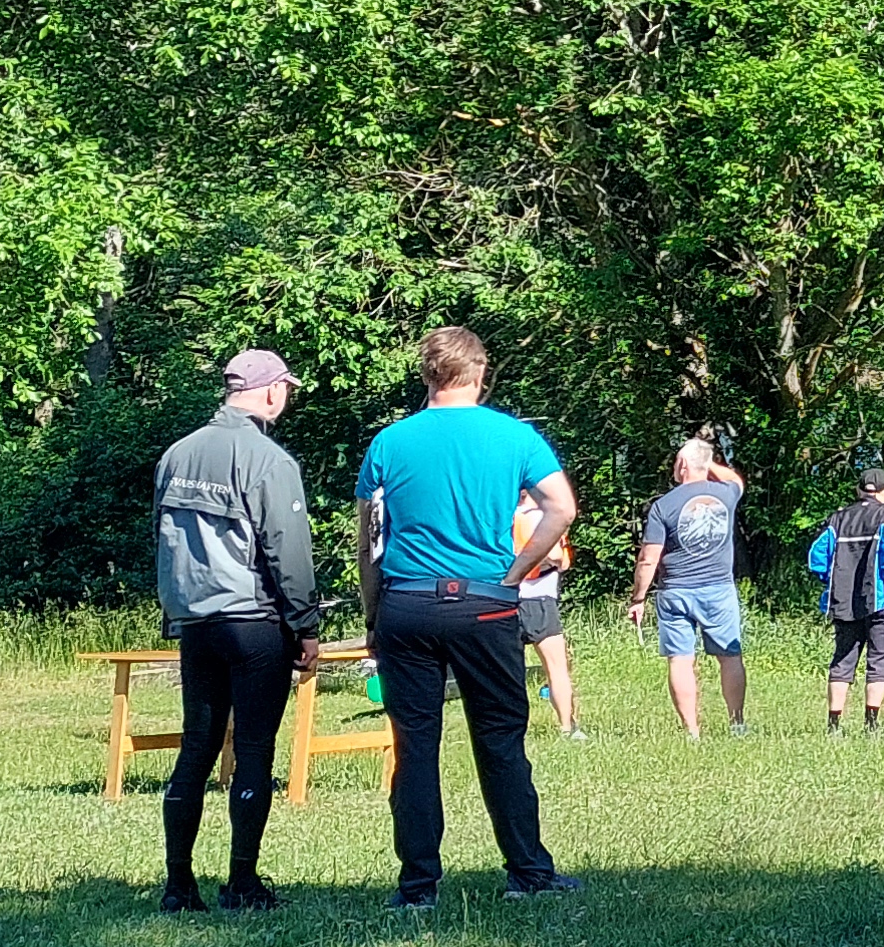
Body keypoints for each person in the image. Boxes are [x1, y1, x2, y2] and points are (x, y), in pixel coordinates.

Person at [356, 326, 577, 905]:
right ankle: (528, 872)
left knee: (414, 744)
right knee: (500, 738)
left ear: (427, 374)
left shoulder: (389, 443)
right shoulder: (515, 436)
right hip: (485, 603)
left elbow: (370, 541)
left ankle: (417, 886)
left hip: (408, 603)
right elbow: (561, 508)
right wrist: (517, 573)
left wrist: (374, 613)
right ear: (480, 373)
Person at [152, 346, 317, 913]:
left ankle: (178, 885)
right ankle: (242, 882)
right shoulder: (269, 460)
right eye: (286, 389)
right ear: (271, 391)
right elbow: (287, 551)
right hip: (253, 622)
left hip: (196, 622)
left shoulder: (176, 455)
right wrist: (306, 622)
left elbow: (163, 538)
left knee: (195, 748)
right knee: (253, 750)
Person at [626, 437, 749, 739]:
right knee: (729, 656)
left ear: (682, 465)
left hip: (675, 591)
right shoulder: (726, 494)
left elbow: (648, 559)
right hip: (719, 588)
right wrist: (709, 464)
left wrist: (638, 598)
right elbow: (737, 480)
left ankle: (692, 731)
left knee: (680, 660)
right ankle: (737, 723)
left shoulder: (663, 506)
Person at [818, 467, 884, 733]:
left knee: (843, 658)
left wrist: (833, 582)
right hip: (881, 597)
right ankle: (871, 724)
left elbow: (818, 557)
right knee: (880, 659)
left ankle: (834, 724)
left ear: (859, 491)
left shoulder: (838, 518)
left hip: (843, 598)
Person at [512, 492, 581, 739]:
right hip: (538, 598)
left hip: (508, 598)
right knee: (556, 668)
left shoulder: (505, 518)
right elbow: (555, 556)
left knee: (508, 671)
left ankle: (511, 728)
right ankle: (567, 727)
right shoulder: (540, 517)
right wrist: (559, 561)